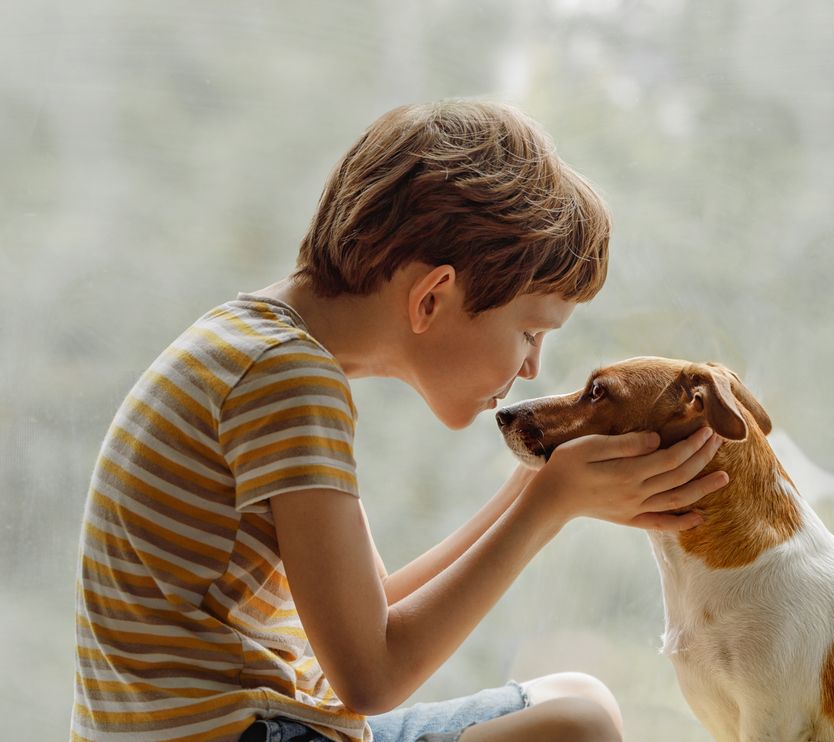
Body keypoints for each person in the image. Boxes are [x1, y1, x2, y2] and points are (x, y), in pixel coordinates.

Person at [70, 99, 730, 742]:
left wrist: (533, 488)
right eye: (530, 332)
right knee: (577, 726)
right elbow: (370, 677)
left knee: (575, 702)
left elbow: (373, 611)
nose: (531, 368)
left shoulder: (253, 347)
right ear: (432, 297)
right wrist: (546, 509)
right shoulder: (289, 383)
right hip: (244, 732)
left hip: (246, 722)